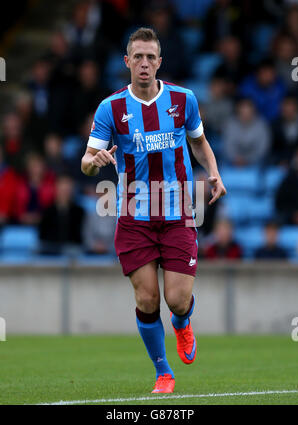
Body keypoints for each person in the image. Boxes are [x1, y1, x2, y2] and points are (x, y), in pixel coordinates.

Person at [81, 28, 226, 394]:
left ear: (159, 62)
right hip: (134, 217)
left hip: (177, 213)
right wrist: (93, 161)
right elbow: (86, 161)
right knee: (147, 299)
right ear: (127, 62)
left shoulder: (184, 99)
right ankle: (163, 372)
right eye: (138, 57)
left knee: (176, 300)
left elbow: (199, 142)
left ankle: (182, 322)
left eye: (151, 57)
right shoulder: (110, 108)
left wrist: (213, 172)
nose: (144, 63)